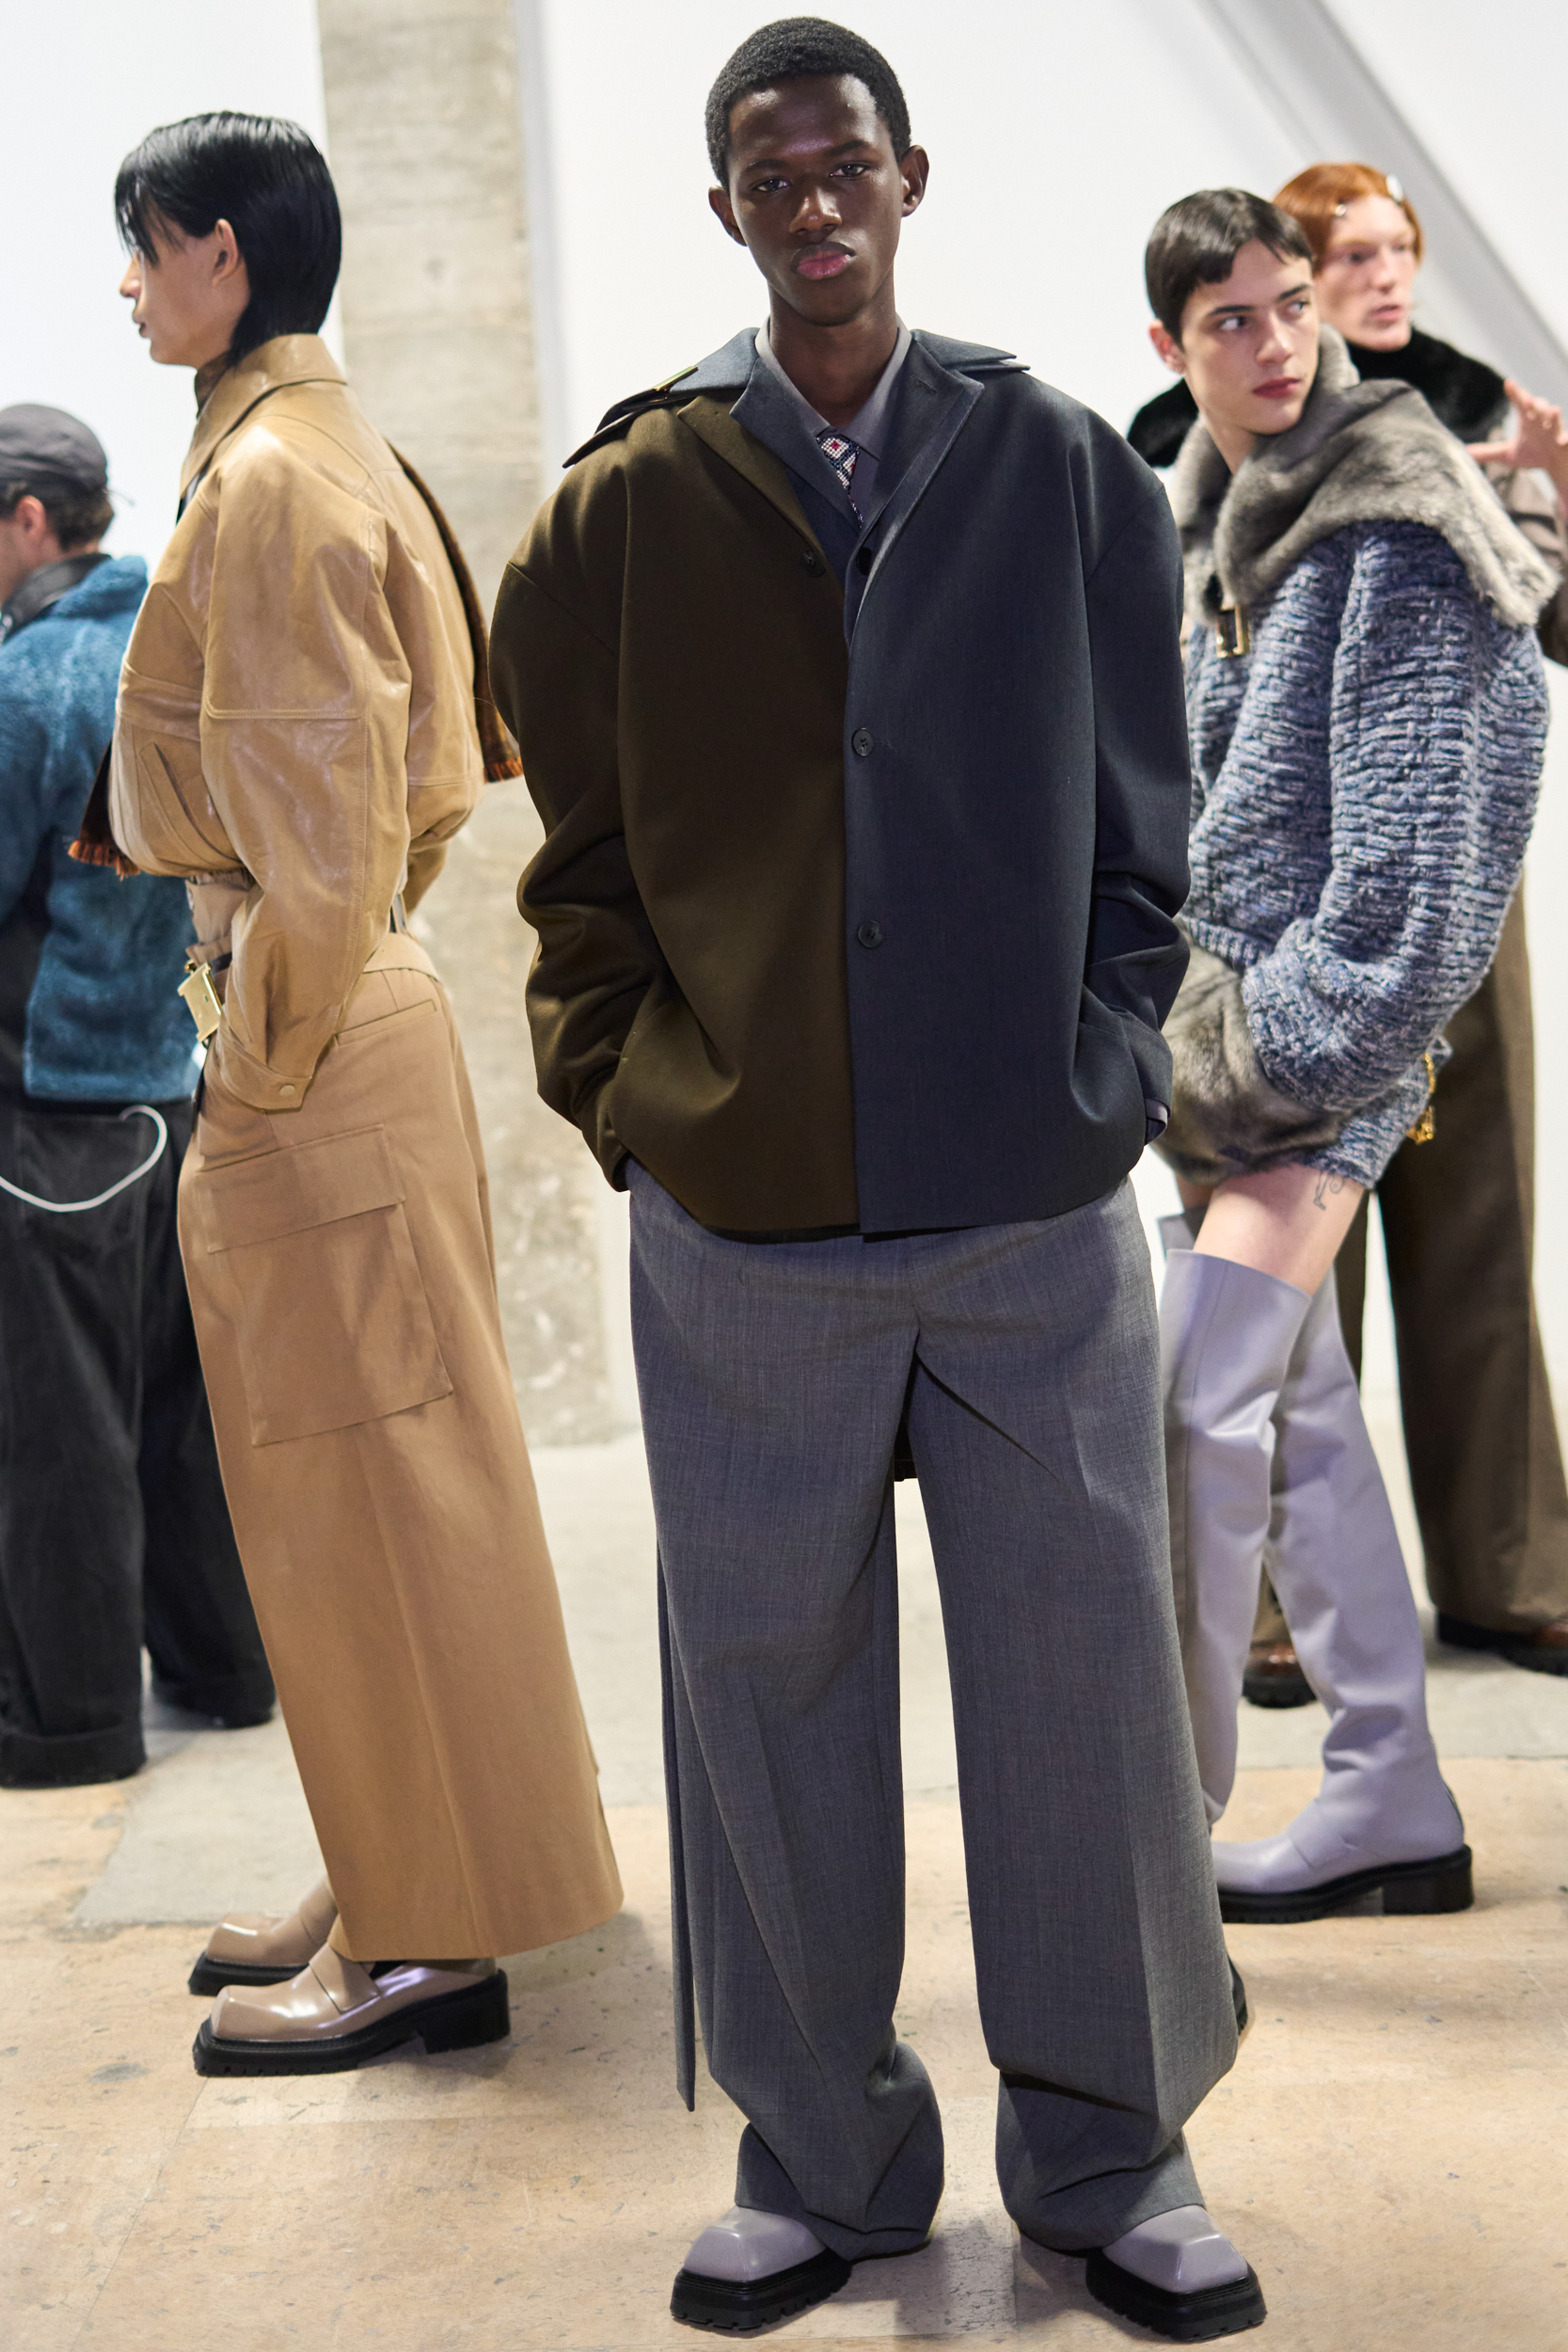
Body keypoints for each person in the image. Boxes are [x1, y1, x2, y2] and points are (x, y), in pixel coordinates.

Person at [491, 22, 1265, 2344]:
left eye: (846, 162)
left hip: (1029, 1209)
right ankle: (819, 2159)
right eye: (769, 171)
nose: (814, 199)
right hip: (744, 1223)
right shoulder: (628, 501)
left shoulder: (1053, 467)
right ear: (724, 207)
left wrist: (1104, 1067)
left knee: (1086, 1701)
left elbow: (1160, 835)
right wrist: (638, 1092)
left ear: (906, 179)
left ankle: (1115, 2158)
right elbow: (580, 862)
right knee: (758, 1692)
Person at [96, 111, 621, 2072]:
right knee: (363, 1489)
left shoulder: (281, 485)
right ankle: (391, 1856)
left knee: (374, 1488)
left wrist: (260, 1035)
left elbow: (330, 830)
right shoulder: (317, 451)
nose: (133, 285)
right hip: (340, 1019)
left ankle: (432, 1931)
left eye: (145, 250)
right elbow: (421, 789)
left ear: (220, 253)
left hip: (311, 1038)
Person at [1146, 189, 1552, 1925]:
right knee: (1300, 1408)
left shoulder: (1388, 519)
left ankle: (1146, 1853)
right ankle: (1391, 1791)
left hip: (1313, 1053)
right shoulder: (1225, 523)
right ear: (1168, 351)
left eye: (1290, 303)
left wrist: (1256, 1054)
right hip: (1227, 1050)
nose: (1277, 341)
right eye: (1230, 319)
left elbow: (1420, 875)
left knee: (1190, 1406)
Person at [0, 405, 274, 1788]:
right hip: (180, 1091)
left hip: (50, 1113)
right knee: (181, 1408)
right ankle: (226, 1670)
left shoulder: (27, 682)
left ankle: (70, 1722)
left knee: (55, 1430)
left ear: (30, 522)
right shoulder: (173, 652)